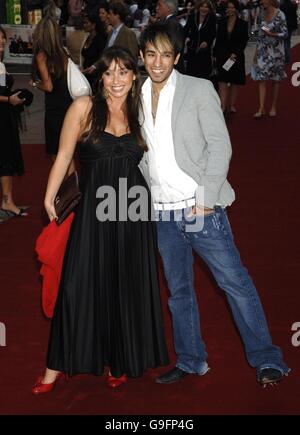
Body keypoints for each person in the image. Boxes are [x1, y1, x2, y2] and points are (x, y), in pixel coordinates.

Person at [138, 23, 290, 386]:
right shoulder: (134, 95)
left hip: (198, 208)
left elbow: (221, 145)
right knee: (179, 292)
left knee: (234, 283)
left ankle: (267, 359)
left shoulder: (198, 88)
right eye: (150, 54)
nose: (157, 62)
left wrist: (206, 199)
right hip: (161, 211)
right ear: (142, 56)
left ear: (176, 57)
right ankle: (191, 360)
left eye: (165, 55)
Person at [32, 46, 169, 394]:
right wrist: (49, 195)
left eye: (125, 72)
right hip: (94, 213)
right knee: (77, 286)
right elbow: (63, 155)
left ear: (134, 76)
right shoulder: (84, 107)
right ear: (101, 76)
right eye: (110, 72)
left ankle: (119, 359)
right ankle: (55, 366)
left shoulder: (142, 112)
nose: (117, 80)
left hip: (133, 214)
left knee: (124, 286)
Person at [31, 17, 74, 171]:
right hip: (69, 105)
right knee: (67, 152)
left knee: (56, 154)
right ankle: (73, 189)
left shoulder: (42, 56)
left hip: (55, 110)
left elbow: (48, 86)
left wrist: (36, 84)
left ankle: (67, 190)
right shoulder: (63, 52)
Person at [0, 26, 27, 222]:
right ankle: (7, 201)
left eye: (3, 39)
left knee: (4, 159)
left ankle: (7, 200)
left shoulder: (0, 64)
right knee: (5, 159)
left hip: (4, 116)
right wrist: (9, 100)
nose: (1, 42)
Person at [252, 0, 287, 118]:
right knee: (261, 79)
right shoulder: (261, 14)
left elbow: (285, 33)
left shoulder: (280, 14)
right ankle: (261, 108)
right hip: (263, 51)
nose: (262, 2)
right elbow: (258, 35)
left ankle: (273, 106)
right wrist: (255, 53)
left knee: (276, 80)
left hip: (277, 52)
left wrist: (273, 34)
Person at [213, 0, 248, 113]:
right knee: (222, 81)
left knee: (234, 82)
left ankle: (231, 105)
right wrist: (215, 54)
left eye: (232, 7)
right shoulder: (221, 22)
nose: (230, 10)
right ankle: (222, 106)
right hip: (222, 56)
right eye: (228, 7)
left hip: (235, 57)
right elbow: (218, 40)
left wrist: (235, 53)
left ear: (237, 9)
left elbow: (244, 41)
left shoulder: (243, 23)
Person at [184, 0, 217, 79]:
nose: (204, 9)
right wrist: (187, 37)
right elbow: (186, 29)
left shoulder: (212, 18)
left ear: (209, 9)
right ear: (199, 7)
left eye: (206, 7)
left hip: (204, 51)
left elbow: (213, 33)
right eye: (202, 6)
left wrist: (208, 42)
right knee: (191, 74)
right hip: (192, 49)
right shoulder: (193, 16)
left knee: (203, 75)